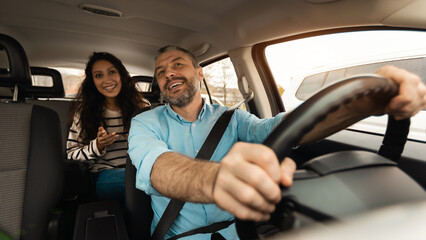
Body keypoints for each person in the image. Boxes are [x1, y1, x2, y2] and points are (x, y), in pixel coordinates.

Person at [128, 45, 426, 239]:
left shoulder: (233, 118)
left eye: (177, 65)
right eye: (161, 72)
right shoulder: (144, 122)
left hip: (241, 233)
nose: (169, 74)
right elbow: (157, 166)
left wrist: (366, 103)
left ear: (199, 71)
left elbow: (280, 128)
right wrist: (216, 179)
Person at [67, 52, 149, 205]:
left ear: (121, 75)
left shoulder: (141, 106)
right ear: (92, 82)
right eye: (99, 76)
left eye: (112, 72)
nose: (107, 80)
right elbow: (71, 156)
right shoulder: (83, 113)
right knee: (137, 184)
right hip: (104, 174)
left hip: (141, 170)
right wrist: (97, 146)